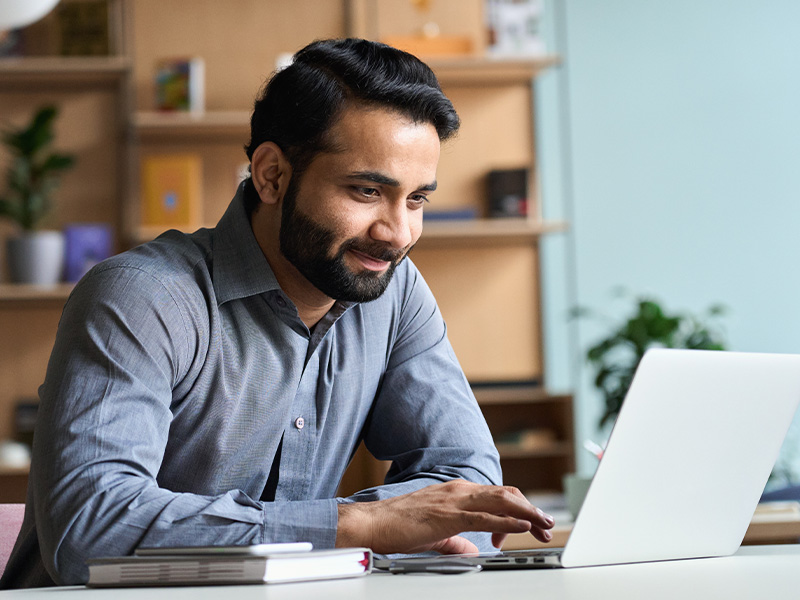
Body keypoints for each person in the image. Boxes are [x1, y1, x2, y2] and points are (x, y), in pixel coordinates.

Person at [0, 38, 553, 588]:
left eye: (416, 200)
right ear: (271, 176)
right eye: (366, 191)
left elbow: (468, 479)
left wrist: (390, 526)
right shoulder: (141, 297)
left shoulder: (395, 291)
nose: (397, 234)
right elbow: (90, 530)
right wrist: (359, 524)